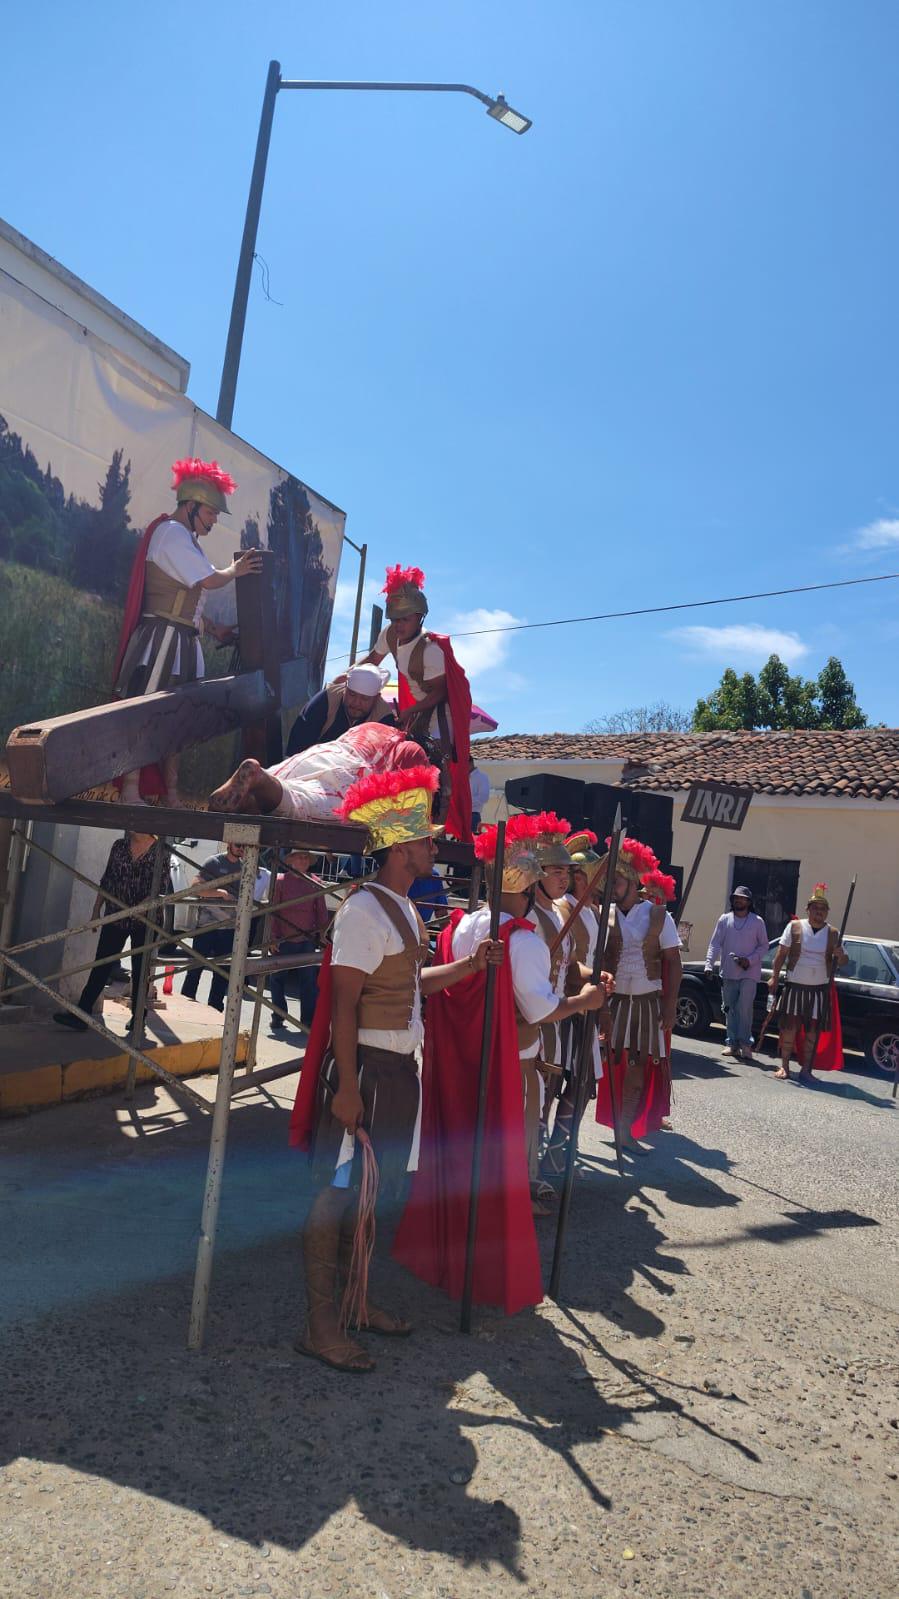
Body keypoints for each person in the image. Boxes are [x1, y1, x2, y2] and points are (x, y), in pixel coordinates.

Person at [288, 763, 503, 1374]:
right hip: (368, 1073)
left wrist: (466, 968)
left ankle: (355, 1303)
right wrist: (348, 1088)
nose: (435, 847)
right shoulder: (362, 911)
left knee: (372, 1197)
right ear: (402, 846)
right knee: (334, 1197)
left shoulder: (406, 911)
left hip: (398, 1071)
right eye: (427, 840)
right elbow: (344, 1009)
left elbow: (409, 984)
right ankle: (319, 1324)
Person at [393, 814, 581, 1314]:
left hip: (456, 1064)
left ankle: (447, 1260)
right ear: (528, 881)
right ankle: (486, 1273)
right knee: (499, 1169)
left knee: (457, 1161)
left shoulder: (464, 925)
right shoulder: (521, 940)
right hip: (502, 1064)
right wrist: (586, 1002)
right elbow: (542, 1009)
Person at [112, 458, 263, 805]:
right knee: (146, 714)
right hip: (162, 639)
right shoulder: (172, 535)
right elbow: (209, 579)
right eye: (210, 512)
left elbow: (189, 601)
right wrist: (236, 569)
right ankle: (131, 791)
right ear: (192, 505)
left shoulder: (185, 540)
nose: (212, 520)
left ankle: (171, 794)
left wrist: (213, 629)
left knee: (177, 722)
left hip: (180, 640)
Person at [358, 565, 473, 840]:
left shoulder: (431, 650)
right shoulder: (389, 635)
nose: (399, 625)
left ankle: (434, 826)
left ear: (419, 617)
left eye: (405, 619)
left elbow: (439, 693)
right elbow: (372, 661)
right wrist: (349, 676)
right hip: (413, 712)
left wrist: (410, 711)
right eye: (395, 619)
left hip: (437, 717)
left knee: (432, 766)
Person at [594, 837, 682, 1154]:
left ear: (632, 880)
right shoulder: (603, 914)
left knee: (636, 1069)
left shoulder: (660, 916)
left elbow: (674, 961)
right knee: (598, 1064)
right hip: (611, 1003)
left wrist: (670, 1006)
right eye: (610, 880)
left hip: (646, 1003)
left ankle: (624, 1130)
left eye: (616, 880)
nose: (612, 886)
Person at [53, 832, 172, 1031]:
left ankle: (138, 1018)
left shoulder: (160, 852)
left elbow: (158, 890)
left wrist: (137, 910)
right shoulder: (119, 846)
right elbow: (107, 879)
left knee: (140, 969)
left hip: (146, 920)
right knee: (102, 963)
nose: (131, 826)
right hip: (116, 915)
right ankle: (81, 1013)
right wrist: (95, 911)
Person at [541, 830, 606, 1181]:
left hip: (586, 1006)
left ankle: (558, 1147)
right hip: (564, 1005)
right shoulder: (563, 908)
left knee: (582, 1085)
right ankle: (542, 1155)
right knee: (550, 1084)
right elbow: (564, 963)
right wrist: (592, 978)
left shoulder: (593, 912)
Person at [208, 721, 427, 821]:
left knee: (278, 776)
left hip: (325, 752)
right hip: (354, 775)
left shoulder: (374, 727)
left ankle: (250, 795)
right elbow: (404, 805)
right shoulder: (412, 750)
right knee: (299, 802)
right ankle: (258, 777)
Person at [769, 884, 848, 1082]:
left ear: (827, 912)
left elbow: (844, 962)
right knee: (789, 1029)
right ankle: (785, 1066)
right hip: (795, 986)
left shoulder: (833, 933)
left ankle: (806, 1070)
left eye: (822, 909)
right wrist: (774, 976)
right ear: (808, 909)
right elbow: (781, 954)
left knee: (813, 1032)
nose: (818, 912)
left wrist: (841, 955)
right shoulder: (794, 927)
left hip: (819, 991)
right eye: (815, 908)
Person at [181, 842, 268, 1011]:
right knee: (195, 967)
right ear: (229, 845)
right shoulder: (214, 862)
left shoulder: (246, 867)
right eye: (238, 845)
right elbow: (195, 887)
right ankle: (186, 1003)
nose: (241, 848)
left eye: (245, 846)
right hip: (206, 926)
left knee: (223, 971)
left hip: (229, 927)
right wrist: (219, 893)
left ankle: (215, 1008)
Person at [268, 849, 329, 1034]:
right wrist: (272, 937)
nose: (302, 860)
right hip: (283, 938)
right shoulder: (280, 882)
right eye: (299, 857)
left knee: (309, 982)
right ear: (291, 860)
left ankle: (307, 1020)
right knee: (277, 978)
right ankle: (278, 1016)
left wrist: (322, 937)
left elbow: (321, 913)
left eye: (305, 858)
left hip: (306, 939)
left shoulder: (315, 882)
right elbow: (273, 911)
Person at [705, 886, 769, 1061]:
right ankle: (731, 1043)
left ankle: (746, 1044)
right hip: (728, 971)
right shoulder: (724, 919)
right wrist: (709, 964)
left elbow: (764, 946)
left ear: (749, 902)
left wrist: (750, 960)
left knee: (744, 1007)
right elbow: (715, 943)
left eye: (742, 899)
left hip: (750, 972)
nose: (738, 901)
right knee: (729, 1008)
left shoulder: (757, 921)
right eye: (736, 898)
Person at [284, 664, 396, 757]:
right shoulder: (325, 701)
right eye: (352, 694)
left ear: (376, 698)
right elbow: (297, 746)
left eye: (365, 699)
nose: (356, 703)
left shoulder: (383, 718)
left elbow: (383, 761)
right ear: (345, 689)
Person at [468, 755, 490, 832]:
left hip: (473, 815)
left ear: (470, 763)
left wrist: (466, 801)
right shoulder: (462, 777)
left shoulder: (482, 777)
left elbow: (484, 798)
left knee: (469, 843)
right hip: (460, 815)